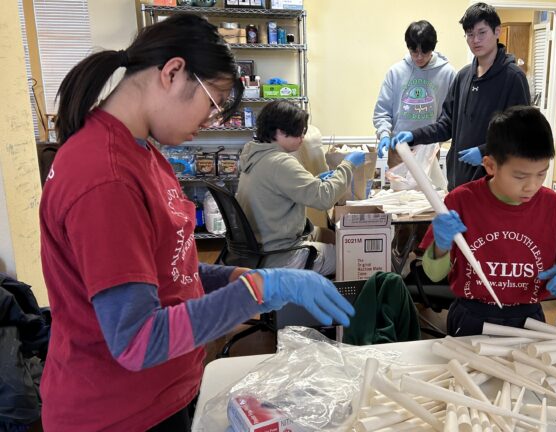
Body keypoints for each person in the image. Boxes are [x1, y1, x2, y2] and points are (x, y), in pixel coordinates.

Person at [38, 14, 354, 431]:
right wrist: (259, 290)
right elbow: (137, 340)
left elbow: (170, 268)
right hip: (116, 413)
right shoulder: (106, 176)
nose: (211, 121)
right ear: (172, 72)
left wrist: (244, 277)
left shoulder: (144, 153)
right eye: (212, 102)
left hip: (159, 393)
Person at [419, 106, 556, 336]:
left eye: (541, 173)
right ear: (490, 166)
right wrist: (440, 246)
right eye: (520, 176)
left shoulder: (552, 205)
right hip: (472, 314)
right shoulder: (461, 201)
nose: (532, 186)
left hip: (529, 316)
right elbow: (433, 274)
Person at [383, 3, 531, 191]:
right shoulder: (463, 77)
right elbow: (446, 125)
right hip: (459, 183)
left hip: (495, 185)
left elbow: (521, 133)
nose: (475, 40)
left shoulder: (513, 78)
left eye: (482, 32)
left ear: (497, 31)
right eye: (470, 34)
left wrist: (485, 152)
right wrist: (414, 135)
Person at [236, 100, 366, 275]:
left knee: (328, 235)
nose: (302, 138)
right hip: (281, 256)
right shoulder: (280, 162)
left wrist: (313, 181)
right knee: (359, 257)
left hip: (262, 247)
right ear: (280, 131)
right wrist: (348, 165)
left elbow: (279, 189)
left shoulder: (255, 156)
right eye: (298, 133)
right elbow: (324, 198)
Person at [373, 20, 456, 172]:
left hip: (429, 150)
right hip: (399, 148)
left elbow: (451, 115)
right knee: (400, 194)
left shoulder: (448, 73)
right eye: (414, 51)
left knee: (428, 193)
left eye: (424, 52)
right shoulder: (396, 72)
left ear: (432, 48)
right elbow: (382, 111)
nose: (418, 57)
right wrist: (384, 134)